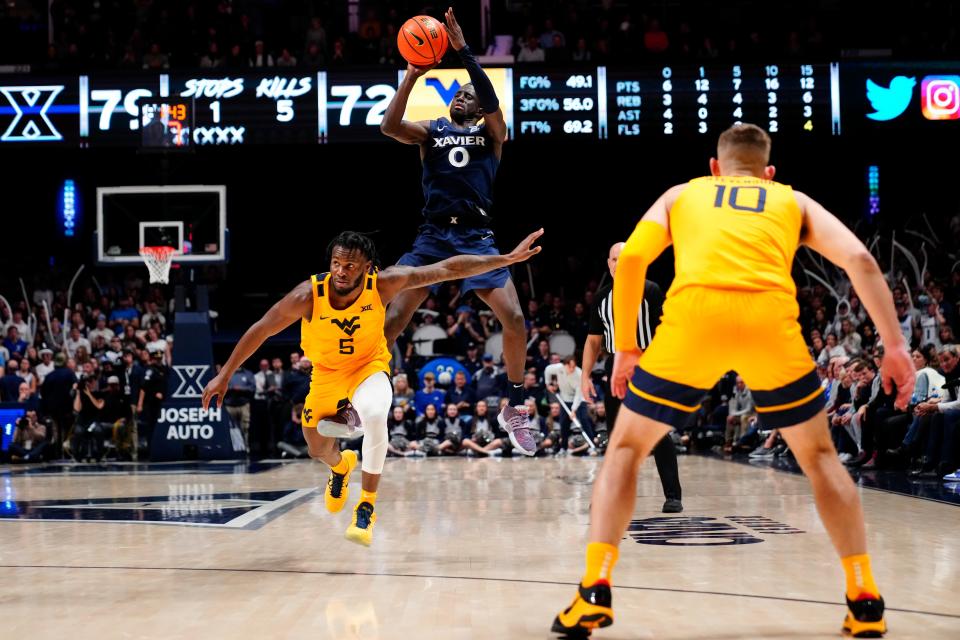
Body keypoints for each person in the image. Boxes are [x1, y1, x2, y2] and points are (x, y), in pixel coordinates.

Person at [552, 123, 913, 638]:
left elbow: (631, 257)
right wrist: (895, 348)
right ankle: (864, 595)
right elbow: (860, 259)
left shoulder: (683, 194)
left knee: (627, 451)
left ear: (715, 167)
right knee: (820, 459)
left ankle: (594, 589)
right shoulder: (792, 201)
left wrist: (628, 347)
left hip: (694, 319)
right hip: (769, 322)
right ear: (769, 172)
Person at [203, 229, 542, 547]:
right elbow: (261, 329)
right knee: (317, 447)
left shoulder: (383, 284)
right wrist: (225, 374)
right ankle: (341, 466)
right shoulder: (308, 295)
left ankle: (366, 507)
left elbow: (446, 268)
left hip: (368, 367)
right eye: (336, 263)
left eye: (350, 265)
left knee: (376, 415)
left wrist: (505, 259)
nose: (341, 271)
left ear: (368, 268)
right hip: (326, 374)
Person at [380, 8, 537, 456]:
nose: (462, 99)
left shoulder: (494, 134)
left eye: (469, 95)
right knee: (393, 319)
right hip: (432, 237)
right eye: (459, 95)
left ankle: (514, 404)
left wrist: (466, 53)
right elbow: (388, 127)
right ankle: (363, 392)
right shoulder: (431, 131)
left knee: (515, 319)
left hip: (476, 238)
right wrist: (411, 77)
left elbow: (488, 99)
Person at [582, 241, 683, 512]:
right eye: (615, 259)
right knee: (616, 436)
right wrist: (585, 376)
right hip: (616, 367)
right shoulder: (601, 298)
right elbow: (593, 342)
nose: (620, 264)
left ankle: (673, 496)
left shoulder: (650, 290)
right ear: (609, 264)